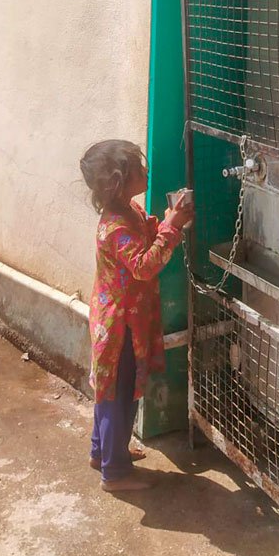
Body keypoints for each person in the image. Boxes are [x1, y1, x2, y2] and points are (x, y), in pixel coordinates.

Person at [79, 139, 193, 492]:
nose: (147, 171)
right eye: (140, 168)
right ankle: (114, 473)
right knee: (120, 396)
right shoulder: (117, 227)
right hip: (120, 328)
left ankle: (103, 453)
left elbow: (141, 242)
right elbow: (144, 266)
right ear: (119, 180)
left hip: (116, 320)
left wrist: (168, 220)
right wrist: (171, 229)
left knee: (109, 393)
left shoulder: (125, 213)